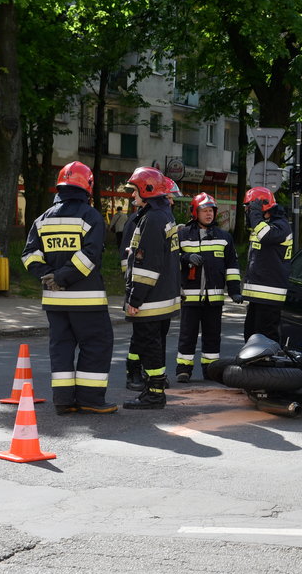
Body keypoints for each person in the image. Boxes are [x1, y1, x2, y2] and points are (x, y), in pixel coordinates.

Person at [21, 161, 116, 415]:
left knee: (61, 347)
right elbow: (91, 255)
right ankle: (90, 398)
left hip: (55, 300)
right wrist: (62, 277)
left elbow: (29, 255)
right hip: (86, 300)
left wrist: (48, 276)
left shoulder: (41, 219)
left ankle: (63, 401)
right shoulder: (91, 216)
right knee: (97, 344)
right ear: (88, 186)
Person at [121, 167, 181, 410]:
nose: (132, 196)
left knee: (150, 344)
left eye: (134, 190)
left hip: (151, 299)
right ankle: (154, 389)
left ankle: (154, 394)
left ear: (147, 189)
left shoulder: (153, 219)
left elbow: (148, 265)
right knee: (154, 343)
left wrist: (135, 299)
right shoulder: (162, 216)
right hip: (162, 296)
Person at [175, 193, 242, 383]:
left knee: (212, 336)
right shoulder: (183, 235)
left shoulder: (224, 237)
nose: (209, 214)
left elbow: (232, 266)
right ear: (195, 213)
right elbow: (171, 260)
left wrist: (235, 290)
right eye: (204, 211)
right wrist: (185, 258)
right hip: (190, 297)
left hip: (214, 299)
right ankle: (183, 370)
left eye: (211, 211)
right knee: (187, 335)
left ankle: (210, 371)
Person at [242, 186, 293, 343]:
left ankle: (269, 368)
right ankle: (254, 368)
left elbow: (266, 235)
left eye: (250, 209)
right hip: (257, 295)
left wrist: (256, 214)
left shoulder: (281, 226)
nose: (248, 213)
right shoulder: (265, 224)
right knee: (250, 336)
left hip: (270, 294)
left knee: (265, 340)